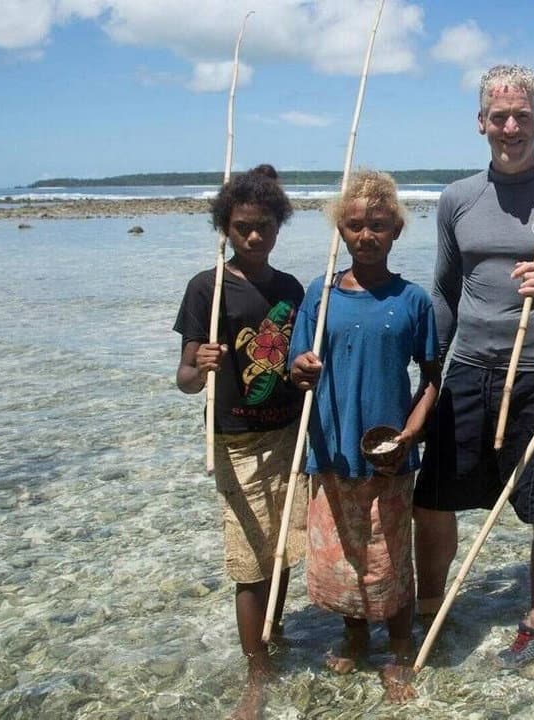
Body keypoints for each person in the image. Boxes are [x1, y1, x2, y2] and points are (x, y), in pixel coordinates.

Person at [413, 64, 534, 668]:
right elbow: (445, 290)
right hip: (467, 368)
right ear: (481, 124)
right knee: (432, 500)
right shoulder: (456, 198)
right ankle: (428, 608)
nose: (510, 126)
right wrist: (430, 373)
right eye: (499, 115)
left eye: (522, 115)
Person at [287, 170, 439, 703]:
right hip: (332, 447)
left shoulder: (413, 300)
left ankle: (398, 647)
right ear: (340, 231)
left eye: (378, 225)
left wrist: (411, 433)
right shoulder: (319, 295)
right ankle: (354, 638)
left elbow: (432, 377)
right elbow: (298, 365)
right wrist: (301, 368)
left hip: (388, 454)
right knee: (345, 555)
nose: (366, 235)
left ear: (396, 230)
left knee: (390, 554)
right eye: (355, 225)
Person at [173, 163, 306, 720]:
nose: (254, 236)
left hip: (290, 435)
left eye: (264, 226)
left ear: (279, 226)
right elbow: (183, 379)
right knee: (249, 559)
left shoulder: (291, 289)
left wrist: (306, 371)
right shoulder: (208, 287)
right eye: (243, 226)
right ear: (224, 227)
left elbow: (296, 366)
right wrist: (199, 364)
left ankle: (273, 636)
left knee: (283, 550)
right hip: (236, 438)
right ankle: (256, 669)